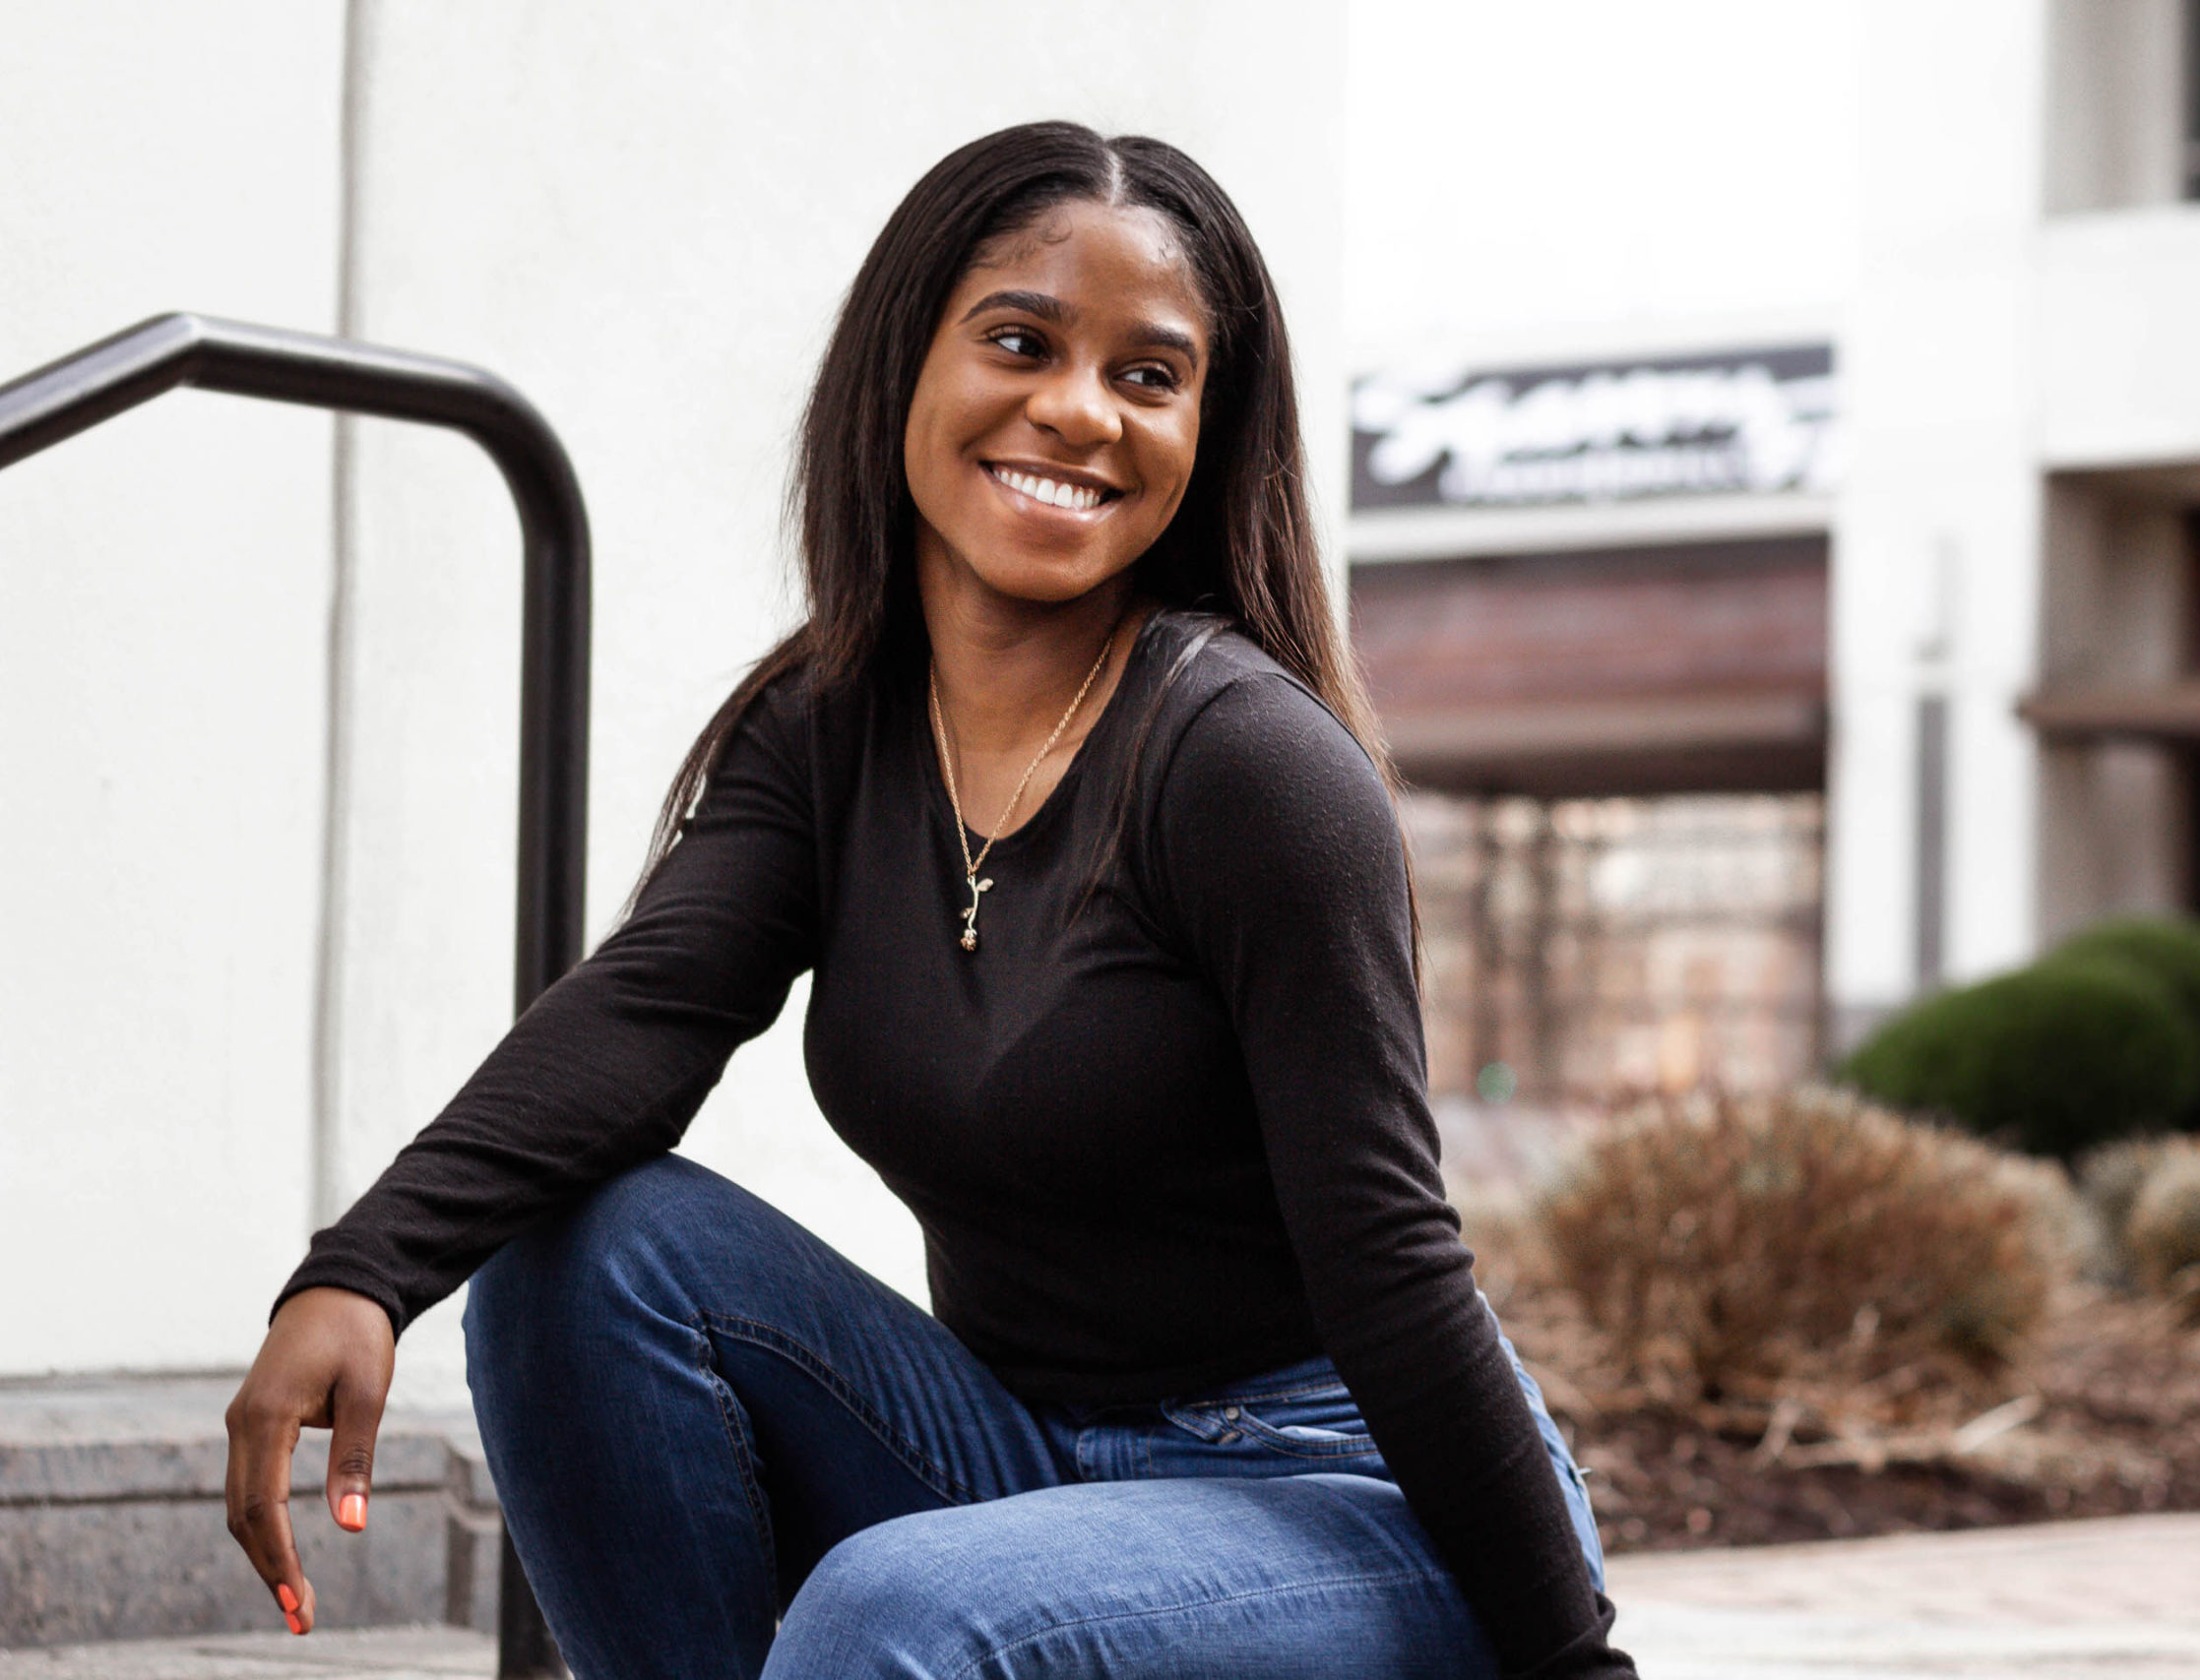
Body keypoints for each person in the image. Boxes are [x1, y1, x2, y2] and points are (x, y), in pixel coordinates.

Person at [221, 120, 1634, 1680]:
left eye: (1148, 376)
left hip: (1338, 1502)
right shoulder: (831, 727)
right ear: (908, 363)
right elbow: (644, 1014)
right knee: (582, 1249)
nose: (1077, 411)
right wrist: (363, 1268)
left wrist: (1575, 1667)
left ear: (1207, 432)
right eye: (1021, 341)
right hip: (1028, 1457)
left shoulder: (1252, 772)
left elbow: (1394, 1265)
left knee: (894, 1612)